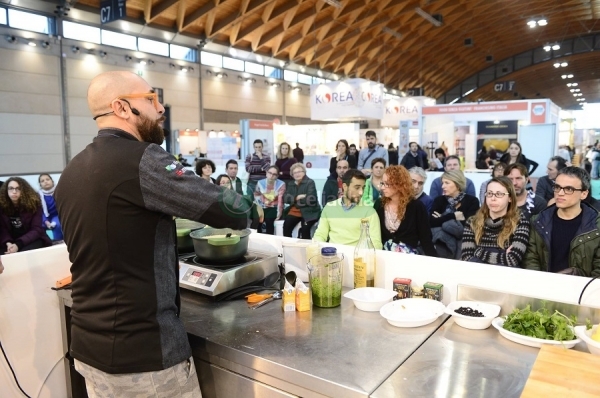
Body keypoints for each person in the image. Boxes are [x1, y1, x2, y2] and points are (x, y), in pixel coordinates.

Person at [55, 71, 256, 397]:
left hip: (89, 350)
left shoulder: (71, 171)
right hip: (145, 360)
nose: (160, 108)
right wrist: (245, 203)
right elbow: (230, 210)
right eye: (150, 99)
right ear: (121, 107)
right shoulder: (142, 160)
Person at [524, 167, 600, 277]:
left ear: (584, 194)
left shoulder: (596, 225)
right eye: (557, 187)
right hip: (543, 288)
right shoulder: (538, 221)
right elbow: (530, 259)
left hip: (582, 290)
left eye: (569, 189)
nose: (560, 193)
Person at [461, 176, 530, 267]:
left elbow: (512, 259)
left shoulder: (520, 222)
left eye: (499, 194)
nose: (493, 198)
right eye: (489, 193)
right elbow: (466, 258)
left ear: (510, 198)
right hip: (476, 277)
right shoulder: (472, 222)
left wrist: (478, 251)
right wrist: (502, 254)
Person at [374, 166, 436, 255]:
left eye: (387, 184)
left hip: (408, 259)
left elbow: (425, 239)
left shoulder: (416, 206)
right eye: (382, 183)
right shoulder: (379, 204)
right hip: (383, 257)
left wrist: (435, 263)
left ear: (399, 184)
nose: (382, 187)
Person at [314, 169, 383, 248]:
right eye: (357, 188)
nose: (361, 192)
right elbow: (320, 235)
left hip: (357, 257)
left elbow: (376, 243)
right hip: (332, 256)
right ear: (345, 187)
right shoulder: (329, 207)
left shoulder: (370, 212)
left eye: (363, 188)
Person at [430, 170, 480, 259]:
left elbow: (468, 226)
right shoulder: (439, 200)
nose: (442, 186)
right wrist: (453, 216)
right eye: (442, 183)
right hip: (442, 245)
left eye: (447, 183)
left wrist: (441, 218)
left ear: (457, 184)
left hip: (465, 246)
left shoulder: (472, 201)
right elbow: (431, 222)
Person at [0, 177, 52, 254]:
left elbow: (37, 229)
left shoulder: (34, 204)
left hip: (32, 239)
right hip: (11, 241)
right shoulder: (2, 206)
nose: (14, 191)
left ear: (24, 190)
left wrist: (18, 244)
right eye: (11, 188)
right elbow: (2, 229)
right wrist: (8, 243)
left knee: (25, 253)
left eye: (18, 188)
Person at [282, 163, 321, 239]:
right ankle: (289, 247)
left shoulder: (310, 182)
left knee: (305, 230)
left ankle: (306, 249)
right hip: (294, 211)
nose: (297, 174)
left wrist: (294, 202)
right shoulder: (290, 184)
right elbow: (285, 198)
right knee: (286, 227)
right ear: (292, 175)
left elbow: (311, 199)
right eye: (295, 173)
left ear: (304, 172)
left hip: (309, 211)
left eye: (299, 172)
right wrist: (297, 197)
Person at [253, 166, 286, 235]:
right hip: (261, 205)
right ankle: (258, 238)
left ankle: (270, 239)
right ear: (266, 173)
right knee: (257, 220)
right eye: (270, 173)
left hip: (274, 206)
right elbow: (256, 195)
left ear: (277, 176)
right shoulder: (260, 183)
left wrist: (279, 214)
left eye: (274, 174)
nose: (271, 176)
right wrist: (260, 205)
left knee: (269, 220)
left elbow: (280, 200)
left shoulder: (281, 184)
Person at [38, 173, 63, 241]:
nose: (45, 181)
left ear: (52, 181)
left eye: (47, 179)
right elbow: (40, 211)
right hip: (44, 217)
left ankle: (59, 242)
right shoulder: (38, 196)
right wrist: (45, 221)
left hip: (57, 215)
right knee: (37, 228)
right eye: (42, 181)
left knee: (56, 225)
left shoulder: (59, 191)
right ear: (40, 184)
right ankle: (46, 243)